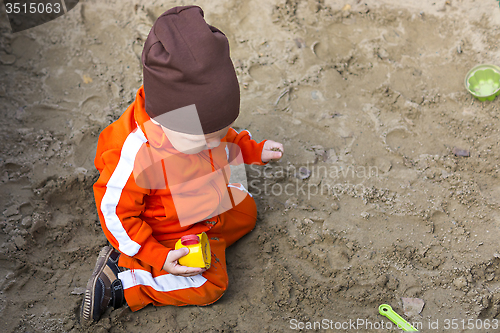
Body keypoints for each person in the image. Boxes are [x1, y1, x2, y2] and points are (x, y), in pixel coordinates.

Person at [80, 5, 283, 323]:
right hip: (168, 229)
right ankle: (123, 279)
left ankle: (207, 230)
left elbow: (224, 135)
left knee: (247, 213)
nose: (215, 143)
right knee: (209, 285)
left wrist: (253, 150)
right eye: (205, 139)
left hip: (196, 198)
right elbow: (114, 212)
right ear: (166, 122)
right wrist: (157, 255)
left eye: (219, 133)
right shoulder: (137, 154)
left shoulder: (190, 125)